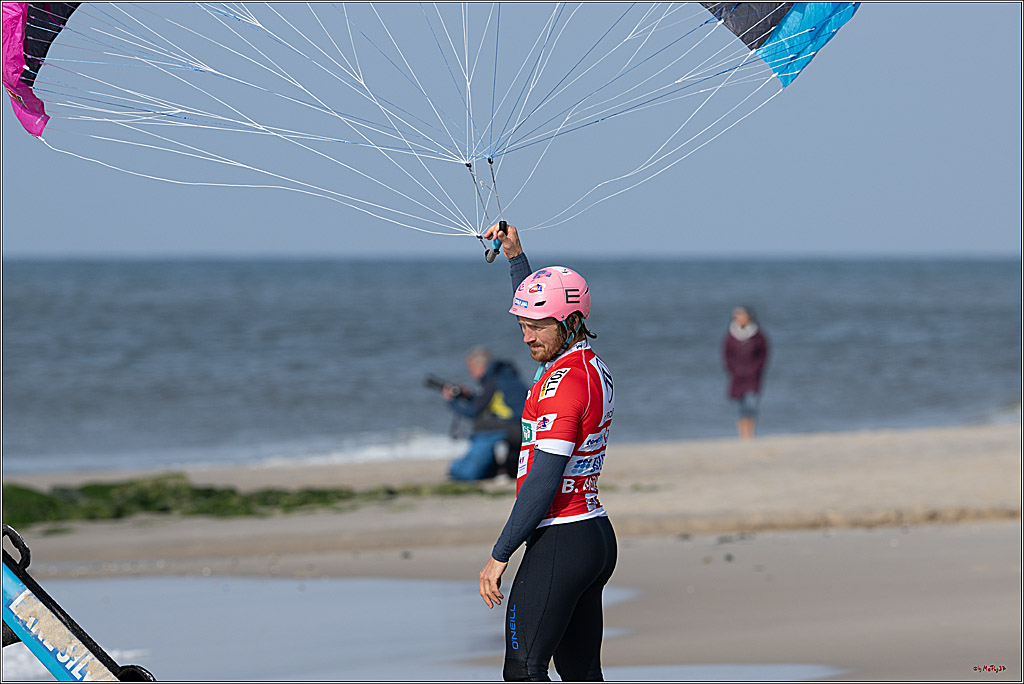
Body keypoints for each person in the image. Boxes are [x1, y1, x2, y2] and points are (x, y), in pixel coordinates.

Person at [477, 221, 617, 682]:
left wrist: (501, 553)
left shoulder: (561, 386)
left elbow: (543, 480)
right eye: (521, 325)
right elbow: (543, 306)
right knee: (581, 673)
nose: (526, 336)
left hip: (562, 535)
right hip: (591, 533)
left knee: (523, 670)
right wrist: (517, 256)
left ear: (571, 322)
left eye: (536, 327)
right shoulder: (584, 365)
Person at [444, 347, 528, 481]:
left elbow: (473, 412)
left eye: (470, 367)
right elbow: (489, 403)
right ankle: (507, 467)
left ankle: (472, 468)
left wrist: (451, 401)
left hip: (516, 429)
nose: (470, 372)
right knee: (492, 422)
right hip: (527, 428)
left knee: (481, 425)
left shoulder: (491, 381)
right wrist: (469, 396)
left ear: (479, 366)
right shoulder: (506, 376)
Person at [722, 305, 769, 439]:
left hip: (753, 376)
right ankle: (743, 435)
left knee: (752, 405)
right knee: (740, 407)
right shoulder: (731, 336)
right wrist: (732, 370)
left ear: (749, 316)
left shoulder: (758, 336)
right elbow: (726, 355)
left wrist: (757, 369)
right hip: (737, 376)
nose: (738, 318)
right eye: (736, 315)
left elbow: (764, 354)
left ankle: (750, 433)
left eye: (741, 315)